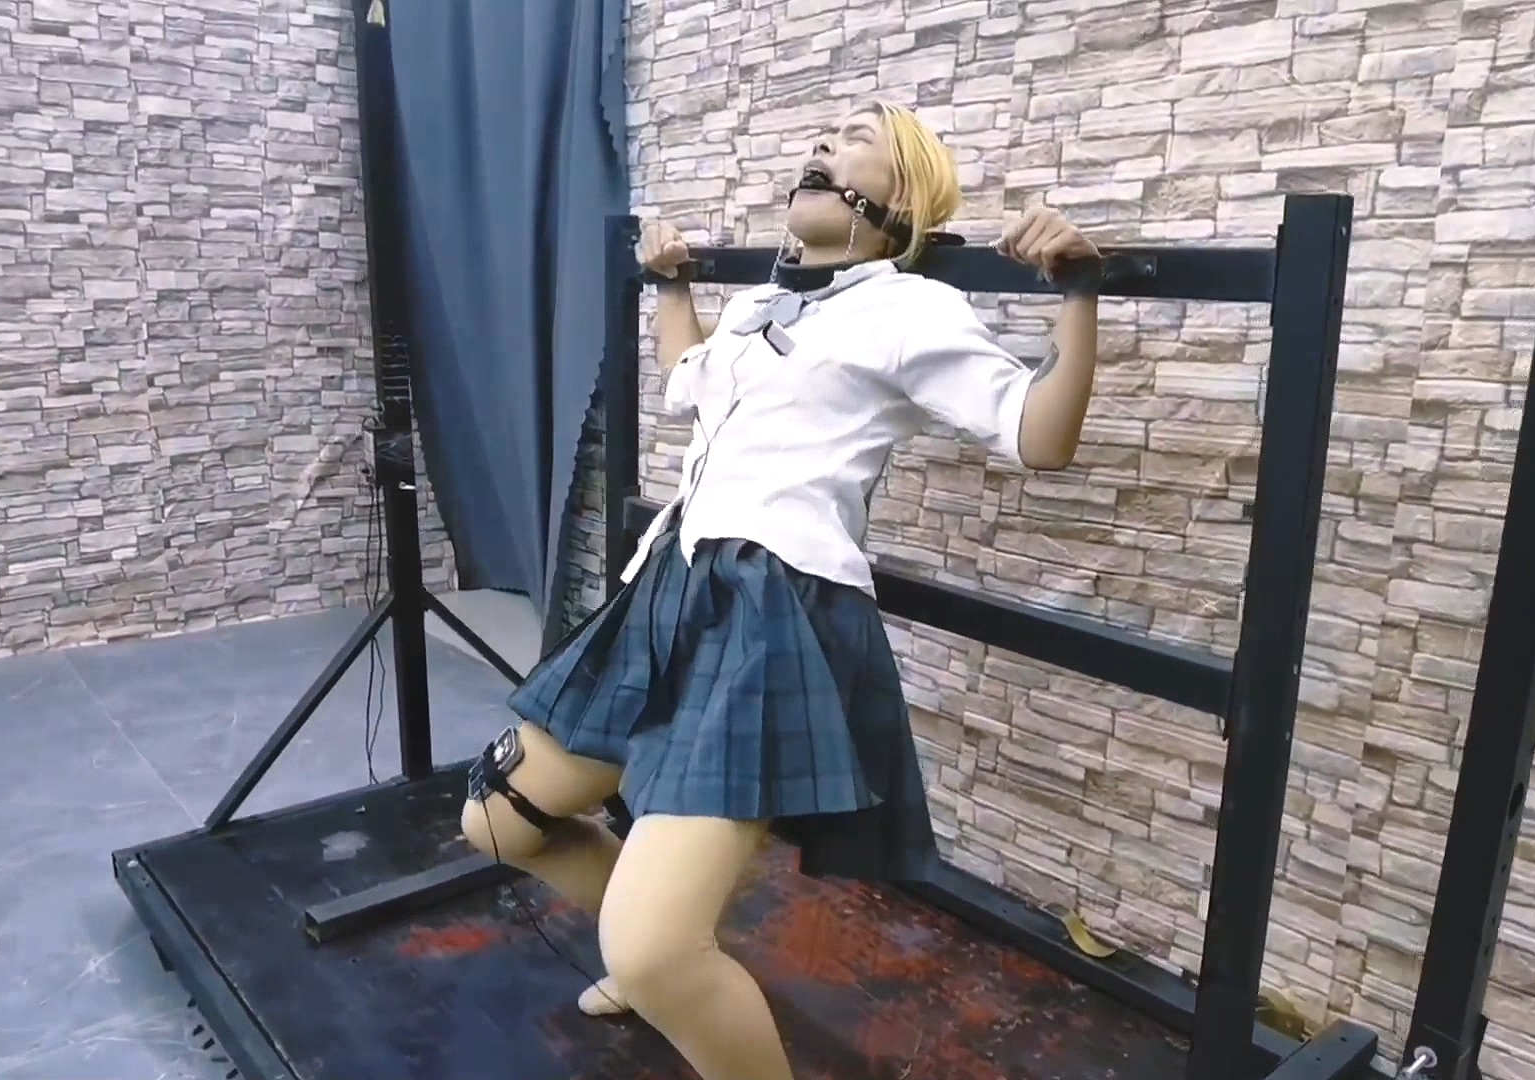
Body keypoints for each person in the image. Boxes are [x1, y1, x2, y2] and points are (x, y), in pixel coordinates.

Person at [458, 99, 1102, 1080]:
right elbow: (685, 377)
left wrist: (1079, 294)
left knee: (653, 947)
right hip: (671, 587)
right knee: (497, 819)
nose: (825, 144)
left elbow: (1038, 435)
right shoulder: (761, 305)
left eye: (857, 140)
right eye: (824, 136)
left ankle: (658, 958)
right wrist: (673, 284)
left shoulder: (910, 309)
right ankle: (657, 954)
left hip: (769, 614)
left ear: (903, 195)